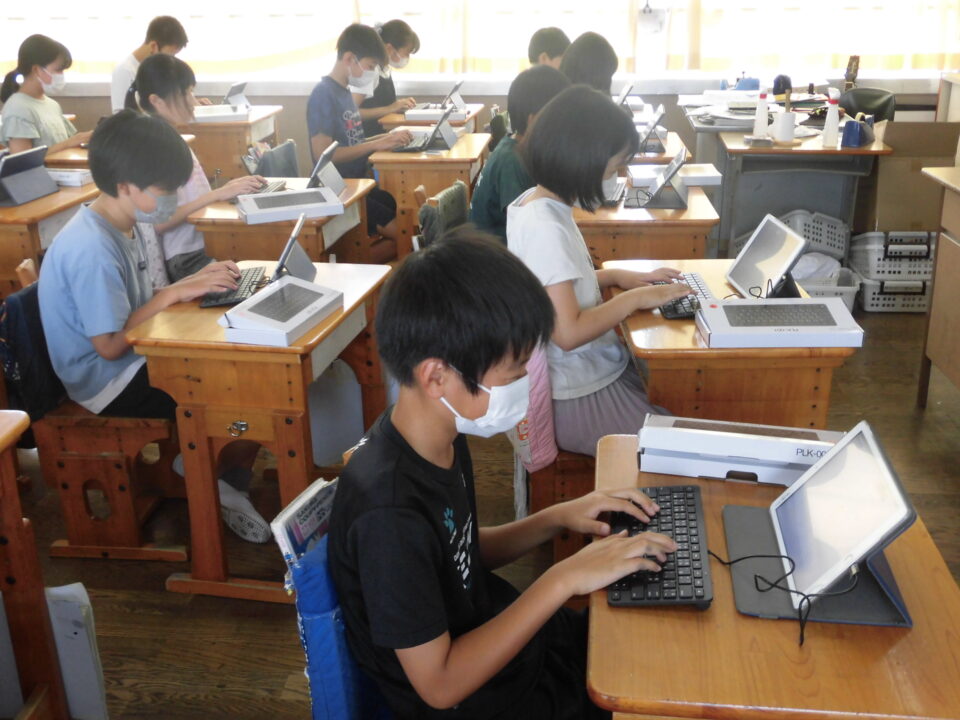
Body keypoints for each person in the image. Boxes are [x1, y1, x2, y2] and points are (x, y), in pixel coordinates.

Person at [328, 230, 676, 719]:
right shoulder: (387, 515)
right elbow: (440, 686)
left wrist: (559, 516)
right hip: (480, 696)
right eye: (512, 373)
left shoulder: (436, 434)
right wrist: (562, 578)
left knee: (657, 636)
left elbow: (460, 552)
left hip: (514, 651)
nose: (524, 384)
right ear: (436, 376)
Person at [37, 111, 269, 543]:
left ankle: (214, 471)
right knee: (238, 387)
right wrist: (172, 294)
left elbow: (139, 304)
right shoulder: (92, 248)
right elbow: (108, 345)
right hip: (106, 381)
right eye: (165, 191)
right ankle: (208, 471)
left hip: (135, 354)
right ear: (125, 185)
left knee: (251, 373)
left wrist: (192, 283)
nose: (172, 200)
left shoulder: (129, 222)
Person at [507, 86, 692, 456]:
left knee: (678, 409)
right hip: (578, 395)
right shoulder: (546, 228)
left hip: (587, 377)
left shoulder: (536, 203)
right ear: (581, 162)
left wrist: (615, 277)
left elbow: (554, 289)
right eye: (614, 168)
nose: (618, 176)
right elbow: (567, 332)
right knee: (683, 449)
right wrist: (636, 298)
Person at [125, 54, 264, 285]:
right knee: (250, 284)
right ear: (157, 101)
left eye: (192, 92)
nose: (193, 101)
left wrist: (225, 190)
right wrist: (217, 194)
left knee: (256, 276)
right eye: (185, 94)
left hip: (200, 243)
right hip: (185, 256)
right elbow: (160, 222)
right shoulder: (155, 145)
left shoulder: (169, 136)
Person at [307, 23, 413, 262]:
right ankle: (348, 265)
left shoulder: (344, 92)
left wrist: (385, 139)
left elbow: (354, 141)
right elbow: (324, 155)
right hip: (339, 190)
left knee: (407, 223)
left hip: (359, 184)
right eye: (370, 66)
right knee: (407, 239)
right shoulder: (323, 94)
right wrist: (375, 145)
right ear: (349, 59)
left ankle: (354, 261)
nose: (371, 73)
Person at [469, 65, 569, 243]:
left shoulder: (518, 148)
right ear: (534, 120)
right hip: (497, 256)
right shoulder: (512, 162)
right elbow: (530, 227)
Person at [0, 34, 91, 154]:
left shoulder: (52, 105)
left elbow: (70, 143)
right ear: (37, 70)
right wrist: (69, 142)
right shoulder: (17, 108)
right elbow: (22, 159)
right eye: (58, 70)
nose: (61, 75)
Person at [355, 20, 420, 137]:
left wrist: (400, 106)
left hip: (383, 136)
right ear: (389, 48)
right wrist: (391, 108)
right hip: (366, 138)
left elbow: (383, 106)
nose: (406, 58)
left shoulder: (384, 68)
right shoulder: (368, 71)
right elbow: (351, 113)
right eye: (406, 53)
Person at [110, 16, 188, 113]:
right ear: (153, 46)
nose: (170, 60)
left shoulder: (155, 69)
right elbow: (120, 116)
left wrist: (191, 103)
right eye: (170, 55)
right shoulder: (125, 71)